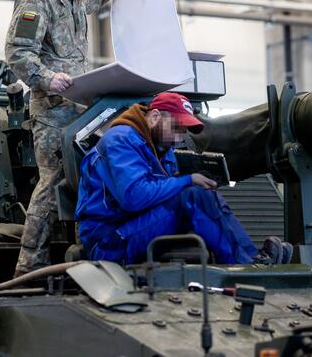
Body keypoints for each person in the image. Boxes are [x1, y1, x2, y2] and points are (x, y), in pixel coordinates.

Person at [5, 0, 139, 277]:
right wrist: (48, 79)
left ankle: (85, 257)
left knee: (87, 178)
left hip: (81, 106)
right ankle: (28, 268)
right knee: (52, 183)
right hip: (51, 109)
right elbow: (18, 53)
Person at [75, 92, 293, 265]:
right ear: (154, 117)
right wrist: (186, 181)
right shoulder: (121, 140)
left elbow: (158, 192)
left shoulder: (163, 147)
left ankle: (252, 259)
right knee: (192, 196)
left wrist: (185, 179)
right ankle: (246, 265)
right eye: (176, 127)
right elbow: (133, 196)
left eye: (184, 130)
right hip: (108, 240)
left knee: (204, 194)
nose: (179, 137)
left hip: (134, 227)